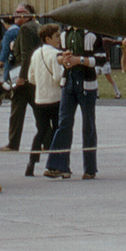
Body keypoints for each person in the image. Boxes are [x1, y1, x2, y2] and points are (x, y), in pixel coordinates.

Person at [46, 23, 102, 179]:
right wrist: (62, 59)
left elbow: (100, 60)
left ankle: (90, 168)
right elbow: (58, 55)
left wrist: (79, 60)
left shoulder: (92, 35)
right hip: (68, 82)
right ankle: (59, 166)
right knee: (63, 123)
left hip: (87, 84)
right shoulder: (64, 35)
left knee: (88, 124)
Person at [0, 5, 41, 152]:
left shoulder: (25, 29)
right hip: (34, 76)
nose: (16, 14)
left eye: (21, 12)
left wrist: (22, 77)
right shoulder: (36, 26)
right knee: (39, 111)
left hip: (24, 78)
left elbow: (26, 54)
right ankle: (47, 142)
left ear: (30, 14)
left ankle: (13, 143)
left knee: (16, 112)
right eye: (15, 12)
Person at [25, 24, 64, 177]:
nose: (59, 40)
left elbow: (31, 78)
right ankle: (55, 163)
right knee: (57, 130)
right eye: (56, 36)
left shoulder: (36, 54)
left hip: (40, 99)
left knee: (41, 132)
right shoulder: (55, 54)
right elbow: (58, 77)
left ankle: (32, 162)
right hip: (55, 98)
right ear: (48, 38)